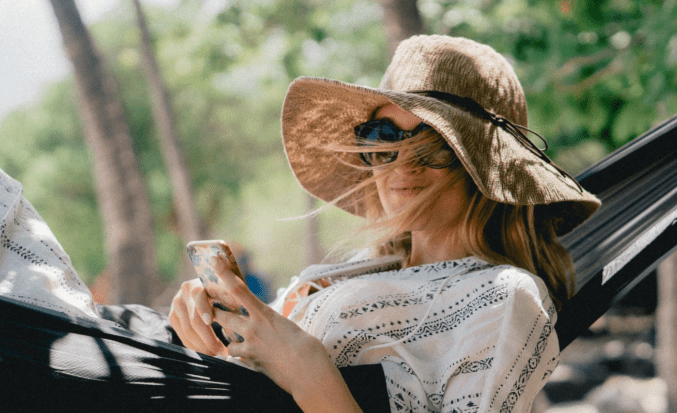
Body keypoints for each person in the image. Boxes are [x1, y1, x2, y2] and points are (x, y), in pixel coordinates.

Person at [169, 35, 601, 413]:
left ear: (486, 169)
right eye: (383, 137)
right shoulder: (363, 267)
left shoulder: (505, 299)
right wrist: (215, 329)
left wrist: (308, 371)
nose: (402, 164)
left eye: (432, 144)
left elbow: (299, 372)